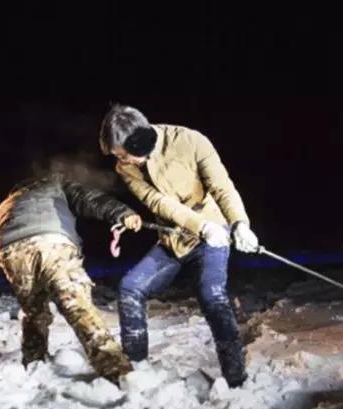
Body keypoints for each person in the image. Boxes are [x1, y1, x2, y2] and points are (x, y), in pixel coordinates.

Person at [99, 104, 259, 388]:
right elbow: (159, 203)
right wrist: (200, 227)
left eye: (124, 154)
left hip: (214, 232)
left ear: (139, 141)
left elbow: (222, 186)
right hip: (175, 237)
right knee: (130, 287)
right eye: (117, 156)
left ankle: (236, 378)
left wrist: (239, 223)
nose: (122, 161)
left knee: (211, 293)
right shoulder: (126, 167)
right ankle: (136, 370)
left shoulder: (190, 141)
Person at [0, 176, 142, 385]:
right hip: (52, 243)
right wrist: (121, 213)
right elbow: (89, 198)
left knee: (34, 312)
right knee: (76, 306)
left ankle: (34, 365)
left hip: (13, 251)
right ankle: (117, 372)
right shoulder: (54, 185)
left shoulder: (2, 209)